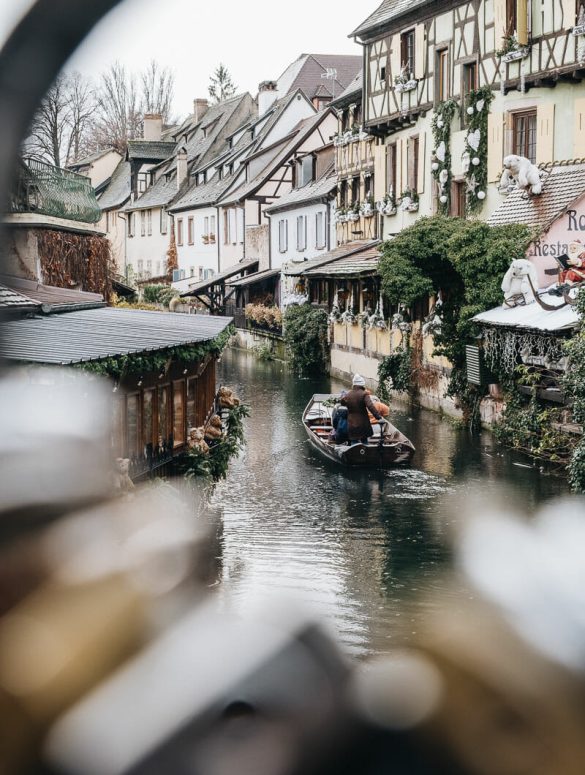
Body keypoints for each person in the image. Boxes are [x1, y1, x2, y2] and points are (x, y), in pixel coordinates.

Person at [341, 374, 385, 446]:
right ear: (362, 385)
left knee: (354, 443)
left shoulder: (348, 394)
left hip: (352, 423)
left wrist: (344, 397)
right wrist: (378, 417)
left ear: (354, 384)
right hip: (363, 423)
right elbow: (370, 406)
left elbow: (342, 403)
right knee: (365, 442)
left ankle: (354, 454)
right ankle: (367, 454)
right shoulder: (364, 394)